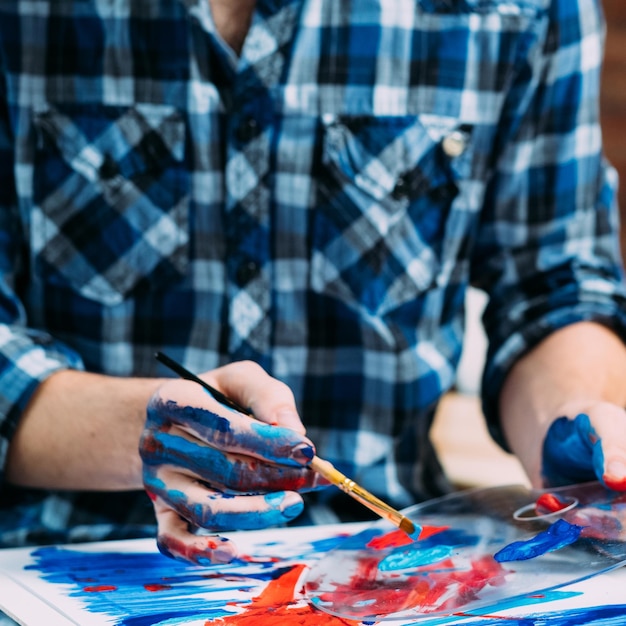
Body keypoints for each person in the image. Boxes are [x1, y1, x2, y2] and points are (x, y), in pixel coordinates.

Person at [1, 0, 626, 571]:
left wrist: (574, 426)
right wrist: (141, 434)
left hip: (387, 556)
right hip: (61, 554)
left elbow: (553, 286)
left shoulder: (529, 10)